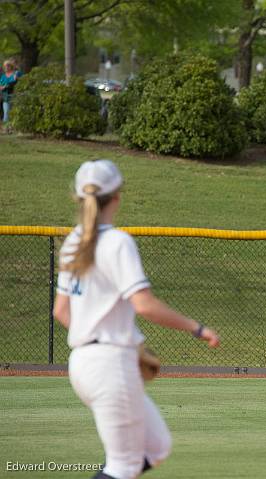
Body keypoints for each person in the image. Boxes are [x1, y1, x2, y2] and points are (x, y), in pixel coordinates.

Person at [52, 159, 220, 479]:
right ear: (117, 197)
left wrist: (105, 341)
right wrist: (197, 328)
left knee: (156, 446)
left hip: (85, 363)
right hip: (108, 365)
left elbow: (62, 311)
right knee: (123, 465)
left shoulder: (73, 242)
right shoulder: (117, 242)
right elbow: (143, 305)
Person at [0, 58, 22, 129]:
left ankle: (13, 127)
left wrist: (16, 79)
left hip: (14, 96)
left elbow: (17, 83)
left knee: (14, 112)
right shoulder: (3, 76)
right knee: (6, 112)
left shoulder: (15, 74)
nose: (6, 67)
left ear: (11, 67)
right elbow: (0, 86)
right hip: (5, 97)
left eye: (8, 66)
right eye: (5, 66)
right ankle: (6, 128)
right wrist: (3, 87)